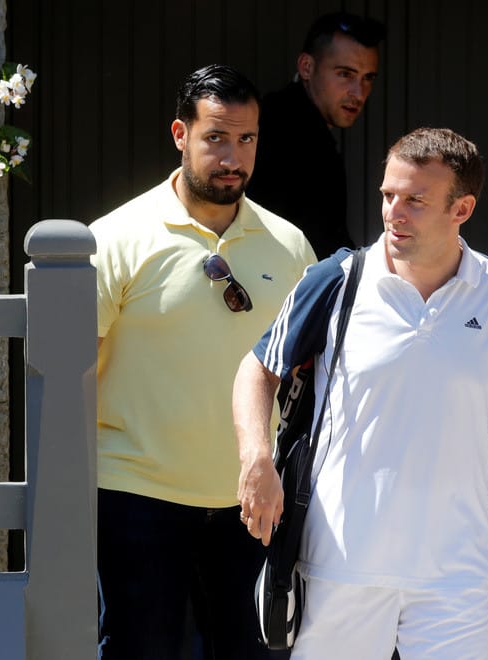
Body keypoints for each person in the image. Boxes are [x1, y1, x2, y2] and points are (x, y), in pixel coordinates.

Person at [232, 127, 488, 659]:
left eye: (414, 201)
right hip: (339, 565)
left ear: (462, 209)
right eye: (388, 195)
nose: (393, 213)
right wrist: (256, 458)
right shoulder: (339, 279)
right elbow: (257, 369)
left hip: (459, 574)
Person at [89, 64, 316, 660]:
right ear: (180, 134)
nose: (233, 157)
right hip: (136, 495)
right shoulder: (114, 238)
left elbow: (313, 376)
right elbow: (70, 375)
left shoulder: (291, 246)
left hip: (253, 500)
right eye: (216, 137)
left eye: (247, 139)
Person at [248, 11, 385, 259]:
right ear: (307, 67)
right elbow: (319, 243)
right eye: (345, 74)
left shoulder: (291, 122)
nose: (358, 92)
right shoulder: (283, 132)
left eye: (367, 78)